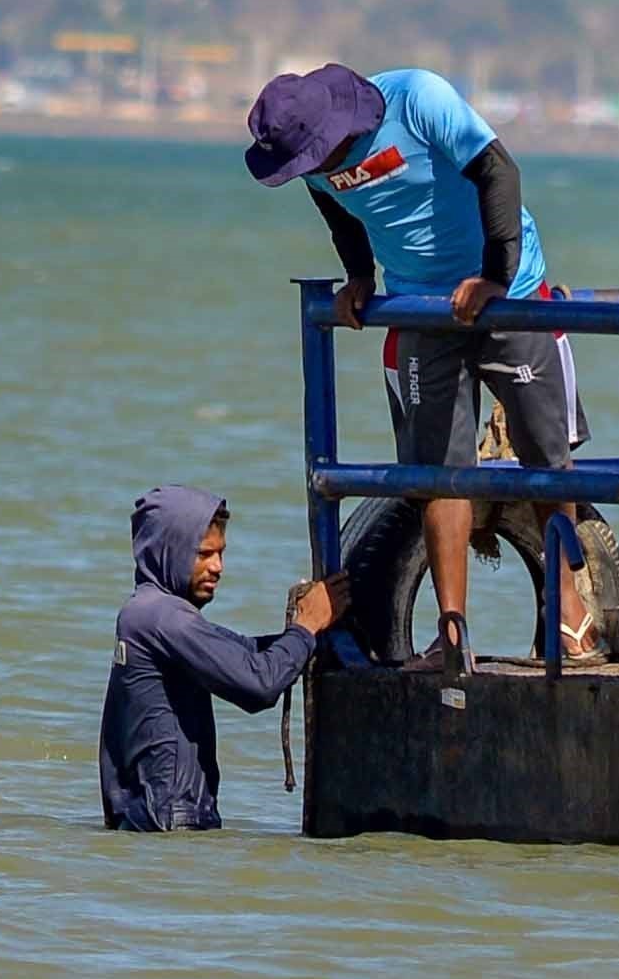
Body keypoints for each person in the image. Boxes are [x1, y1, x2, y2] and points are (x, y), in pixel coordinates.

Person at [243, 59, 578, 671]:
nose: (312, 171)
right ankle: (451, 634)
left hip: (510, 292)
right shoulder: (311, 164)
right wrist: (361, 279)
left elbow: (498, 171)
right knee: (437, 474)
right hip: (421, 307)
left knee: (546, 459)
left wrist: (495, 279)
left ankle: (571, 611)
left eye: (314, 157)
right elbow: (341, 213)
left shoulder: (419, 100)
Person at [98, 489, 330, 828]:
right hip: (172, 824)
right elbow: (259, 685)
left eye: (221, 553)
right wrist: (305, 628)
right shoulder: (165, 618)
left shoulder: (146, 612)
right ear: (169, 551)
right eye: (204, 554)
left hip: (149, 820)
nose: (217, 567)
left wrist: (308, 636)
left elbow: (243, 653)